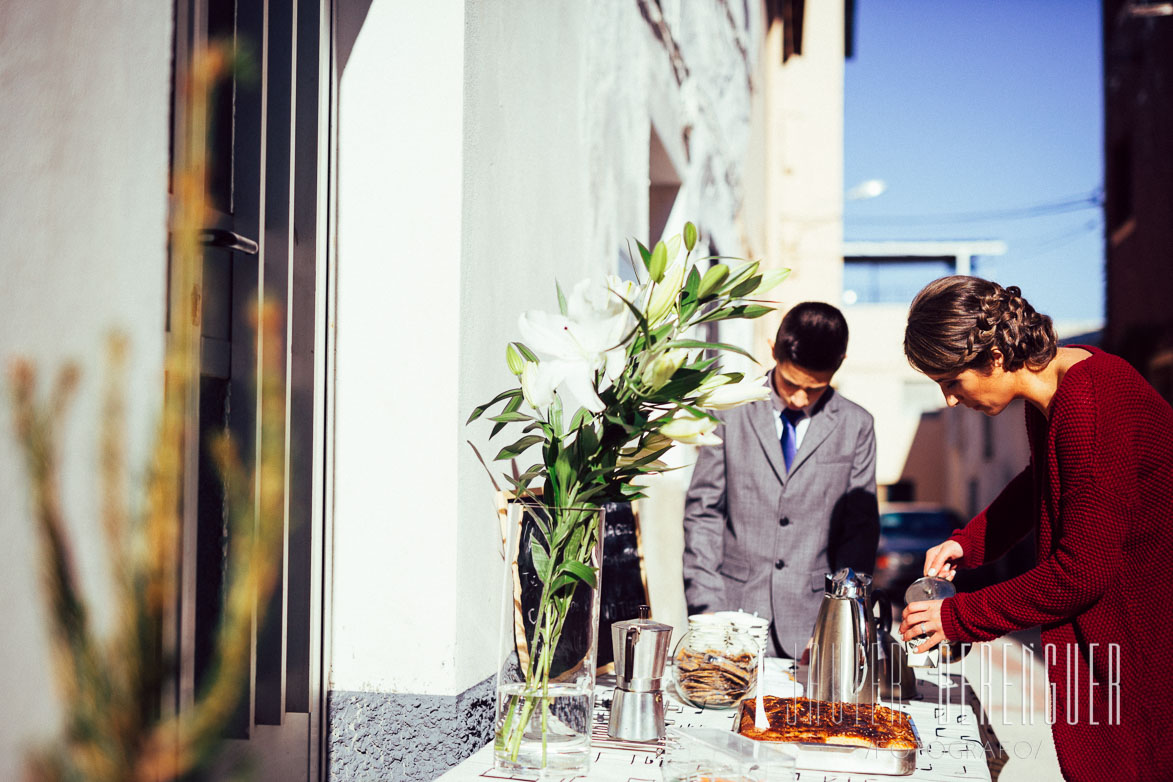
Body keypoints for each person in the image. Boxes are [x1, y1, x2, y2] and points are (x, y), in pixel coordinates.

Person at [899, 275, 1173, 781]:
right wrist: (968, 542)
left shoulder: (1091, 402)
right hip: (1123, 629)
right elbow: (1039, 484)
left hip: (1145, 641)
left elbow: (1079, 573)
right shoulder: (1061, 387)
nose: (951, 400)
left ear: (995, 359)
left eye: (952, 381)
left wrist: (956, 618)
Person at [682, 301, 880, 657]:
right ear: (772, 350)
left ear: (840, 364)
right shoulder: (728, 410)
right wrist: (706, 610)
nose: (799, 398)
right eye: (791, 383)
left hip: (813, 628)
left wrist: (840, 624)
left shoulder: (857, 426)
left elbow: (859, 533)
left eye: (815, 388)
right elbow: (704, 514)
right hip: (730, 618)